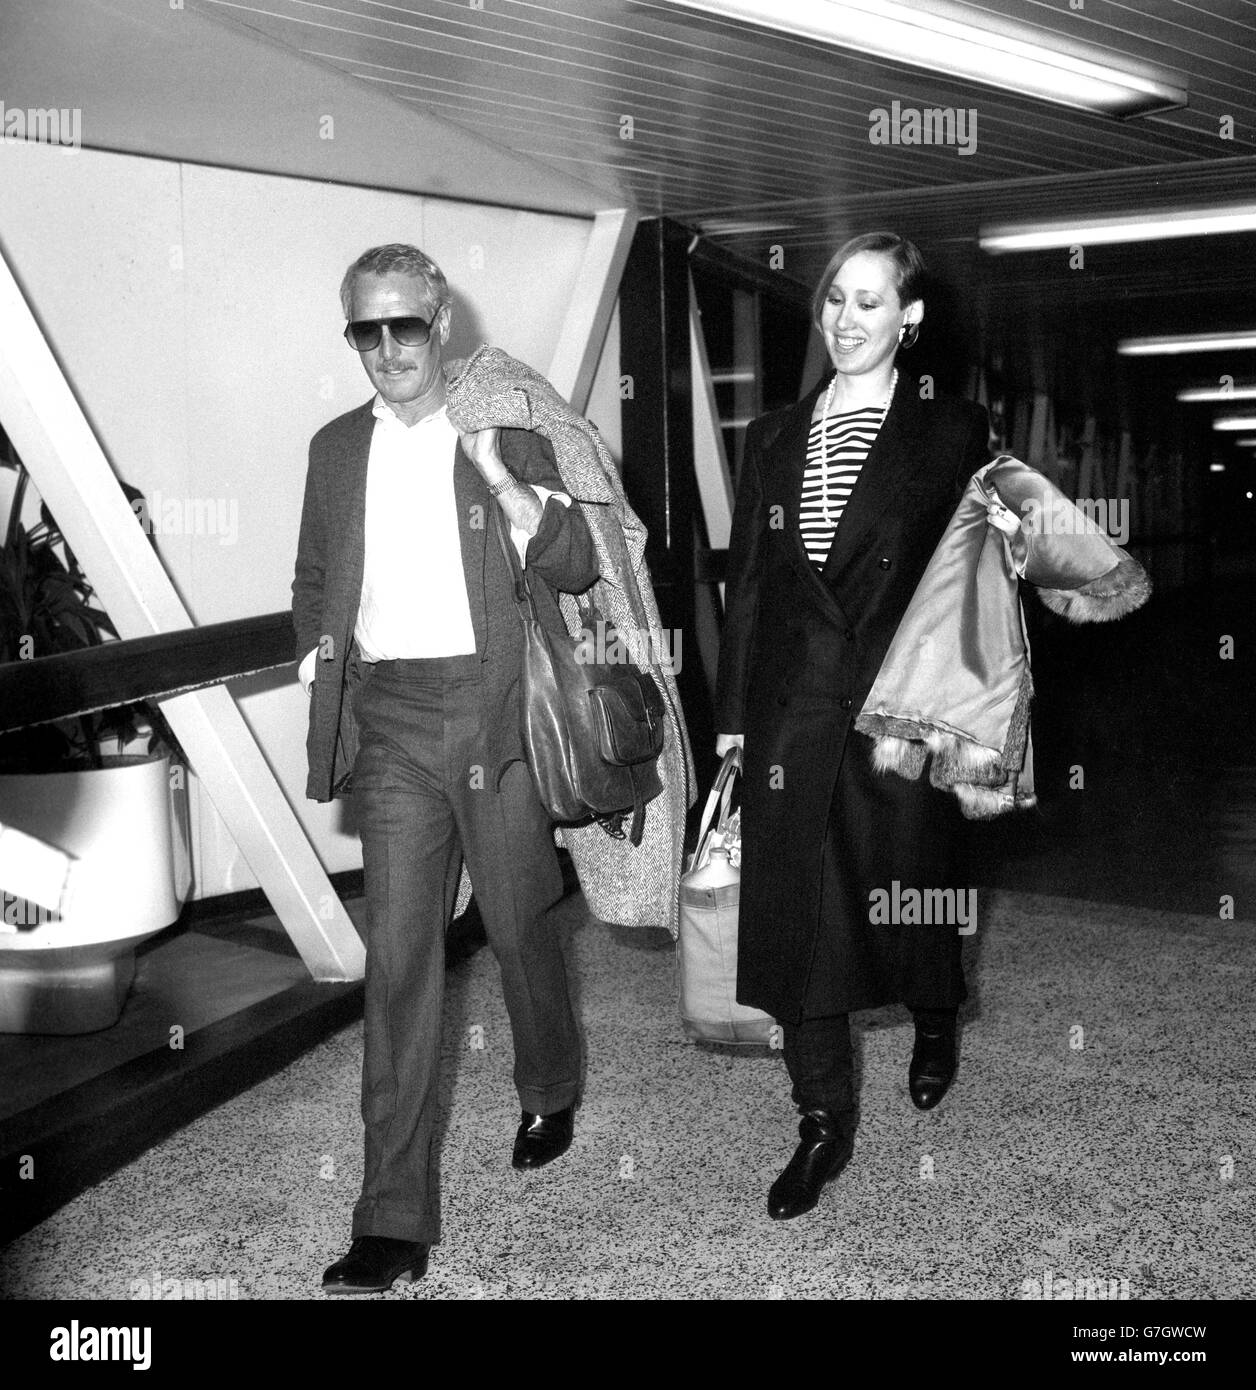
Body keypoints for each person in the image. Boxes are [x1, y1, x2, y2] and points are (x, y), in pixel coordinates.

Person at [292, 244, 600, 1293]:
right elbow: (314, 573)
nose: (385, 349)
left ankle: (550, 1080)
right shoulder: (335, 450)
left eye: (403, 327)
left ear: (440, 324)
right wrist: (314, 648)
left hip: (492, 709)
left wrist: (519, 494)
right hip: (388, 721)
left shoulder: (499, 435)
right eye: (364, 331)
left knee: (517, 926)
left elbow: (576, 564)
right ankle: (389, 1217)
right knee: (401, 961)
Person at [714, 231, 991, 1220]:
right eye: (834, 298)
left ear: (908, 320)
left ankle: (935, 1013)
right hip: (793, 709)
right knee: (799, 919)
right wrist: (734, 726)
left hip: (899, 710)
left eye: (868, 302)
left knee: (909, 892)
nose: (844, 319)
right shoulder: (773, 436)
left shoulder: (950, 429)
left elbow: (975, 587)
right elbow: (750, 587)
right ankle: (820, 1118)